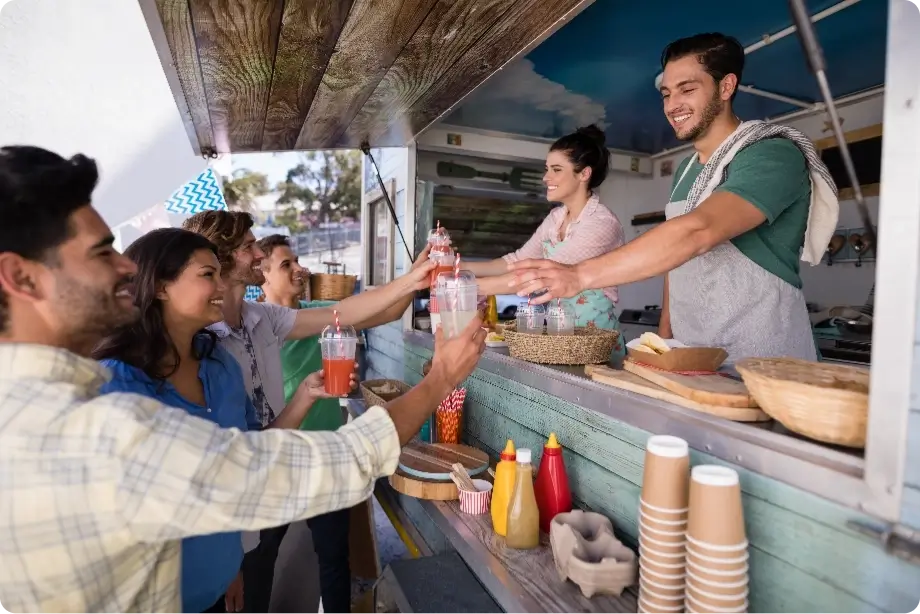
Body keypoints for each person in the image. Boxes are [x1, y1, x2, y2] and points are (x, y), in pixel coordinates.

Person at [0, 144, 487, 613]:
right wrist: (441, 375)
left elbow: (346, 314)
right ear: (22, 278)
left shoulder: (207, 356)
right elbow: (335, 463)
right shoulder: (103, 425)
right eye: (102, 252)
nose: (127, 265)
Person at [508, 33, 839, 364]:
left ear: (726, 87)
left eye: (688, 89)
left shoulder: (771, 153)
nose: (672, 105)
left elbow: (697, 232)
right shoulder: (685, 171)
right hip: (693, 355)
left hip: (762, 356)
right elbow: (677, 261)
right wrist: (665, 337)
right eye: (666, 94)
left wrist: (579, 275)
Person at [90, 228, 357, 613]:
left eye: (220, 272)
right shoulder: (113, 383)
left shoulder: (220, 367)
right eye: (207, 275)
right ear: (162, 286)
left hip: (215, 586)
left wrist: (305, 397)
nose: (221, 284)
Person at [181, 210, 432, 613]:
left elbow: (346, 313)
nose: (259, 254)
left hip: (273, 474)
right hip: (234, 505)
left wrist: (413, 278)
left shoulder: (260, 317)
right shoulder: (197, 341)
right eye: (249, 247)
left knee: (272, 583)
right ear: (220, 258)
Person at [256, 233, 429, 614]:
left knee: (334, 561)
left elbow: (382, 312)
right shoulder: (254, 329)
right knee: (260, 558)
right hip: (279, 459)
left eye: (297, 260)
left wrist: (417, 276)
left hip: (326, 456)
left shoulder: (319, 313)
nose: (299, 268)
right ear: (261, 273)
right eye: (287, 264)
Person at [460, 125, 627, 357]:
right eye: (547, 169)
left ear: (584, 174)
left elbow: (540, 276)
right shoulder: (555, 218)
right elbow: (519, 261)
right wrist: (459, 267)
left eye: (556, 169)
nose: (545, 177)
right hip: (563, 337)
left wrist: (466, 288)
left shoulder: (601, 223)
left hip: (597, 343)